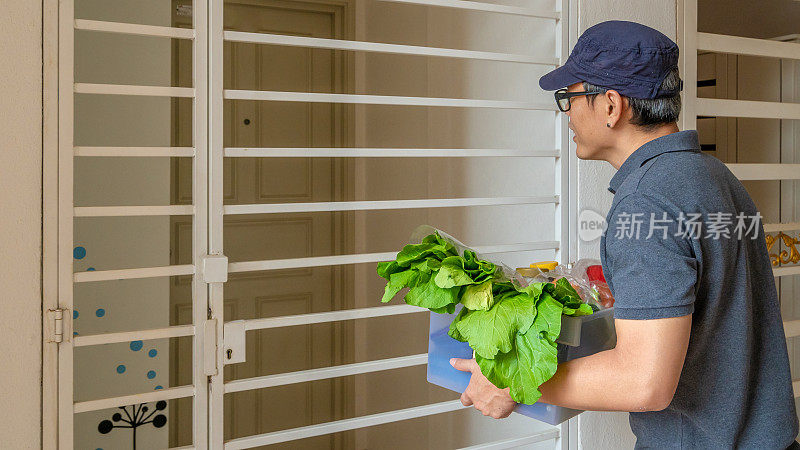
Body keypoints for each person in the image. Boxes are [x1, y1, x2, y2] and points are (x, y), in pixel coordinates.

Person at [449, 20, 799, 449]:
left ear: (612, 105)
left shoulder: (646, 201)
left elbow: (644, 382)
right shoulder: (712, 175)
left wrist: (512, 383)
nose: (568, 115)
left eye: (570, 98)